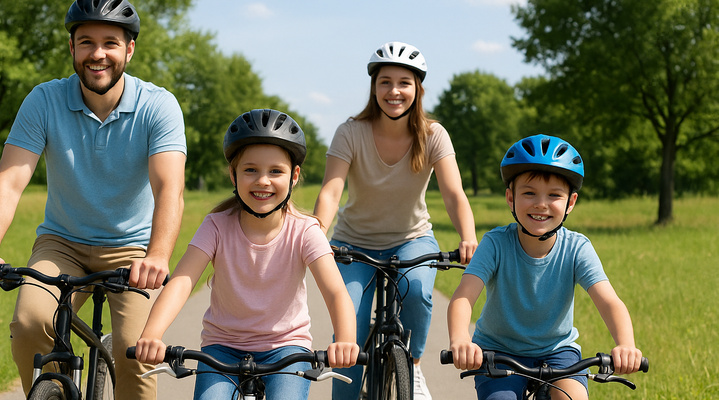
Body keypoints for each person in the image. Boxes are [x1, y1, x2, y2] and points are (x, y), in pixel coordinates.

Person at [0, 0, 187, 398]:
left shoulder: (158, 105)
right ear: (72, 48)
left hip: (132, 249)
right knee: (31, 324)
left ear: (129, 50)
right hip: (62, 242)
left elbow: (169, 188)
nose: (97, 54)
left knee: (135, 352)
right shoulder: (43, 100)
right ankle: (52, 391)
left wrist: (157, 255)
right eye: (86, 42)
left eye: (110, 43)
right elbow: (10, 180)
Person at [134, 109, 359, 400]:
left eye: (275, 171)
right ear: (233, 174)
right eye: (250, 170)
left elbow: (335, 292)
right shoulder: (216, 225)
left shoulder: (305, 230)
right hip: (223, 346)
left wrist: (345, 339)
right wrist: (152, 333)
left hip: (287, 347)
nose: (263, 181)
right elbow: (182, 282)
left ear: (294, 176)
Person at [313, 41, 479, 400]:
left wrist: (468, 236)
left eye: (404, 82)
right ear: (374, 87)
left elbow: (454, 193)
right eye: (385, 81)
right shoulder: (351, 131)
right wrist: (315, 234)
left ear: (417, 89)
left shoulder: (433, 134)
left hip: (412, 238)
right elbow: (331, 191)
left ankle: (414, 365)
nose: (394, 91)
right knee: (349, 331)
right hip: (353, 243)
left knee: (418, 291)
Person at [446, 135, 644, 400]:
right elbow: (463, 296)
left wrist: (626, 344)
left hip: (558, 350)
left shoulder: (577, 248)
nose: (541, 203)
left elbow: (609, 301)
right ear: (510, 197)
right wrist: (460, 339)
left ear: (570, 203)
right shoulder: (495, 244)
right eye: (529, 193)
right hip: (499, 351)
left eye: (554, 195)